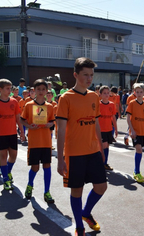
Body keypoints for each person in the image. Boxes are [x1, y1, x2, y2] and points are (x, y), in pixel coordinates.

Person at [56, 58, 107, 236]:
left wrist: (101, 148)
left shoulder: (94, 96)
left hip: (93, 150)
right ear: (76, 75)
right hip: (74, 153)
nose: (89, 78)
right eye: (85, 74)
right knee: (77, 190)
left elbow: (97, 125)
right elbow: (60, 130)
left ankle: (86, 213)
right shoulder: (65, 98)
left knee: (101, 187)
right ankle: (79, 226)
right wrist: (60, 159)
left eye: (91, 75)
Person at [20, 79, 55, 203]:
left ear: (46, 91)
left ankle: (47, 192)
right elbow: (22, 119)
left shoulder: (50, 106)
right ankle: (30, 185)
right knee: (35, 168)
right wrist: (28, 126)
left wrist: (49, 124)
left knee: (47, 166)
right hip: (34, 142)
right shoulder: (29, 105)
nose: (41, 91)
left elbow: (53, 122)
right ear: (33, 91)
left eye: (43, 89)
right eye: (38, 89)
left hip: (46, 142)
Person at [0, 79, 26, 190]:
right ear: (0, 89)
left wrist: (22, 131)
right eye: (7, 88)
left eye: (10, 88)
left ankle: (7, 171)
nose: (9, 90)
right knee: (3, 156)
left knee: (13, 156)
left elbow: (18, 118)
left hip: (12, 134)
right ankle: (6, 180)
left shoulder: (14, 102)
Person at [126, 83, 144, 183]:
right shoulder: (132, 103)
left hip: (141, 131)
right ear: (134, 92)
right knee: (139, 149)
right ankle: (137, 172)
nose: (139, 94)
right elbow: (128, 118)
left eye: (141, 92)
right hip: (135, 131)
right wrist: (131, 130)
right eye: (137, 92)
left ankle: (137, 171)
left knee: (140, 151)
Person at [99, 85, 117, 170]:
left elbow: (113, 117)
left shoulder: (112, 105)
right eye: (104, 93)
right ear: (101, 94)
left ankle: (105, 162)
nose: (106, 95)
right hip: (100, 130)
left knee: (107, 146)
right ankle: (103, 163)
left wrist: (116, 129)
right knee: (104, 145)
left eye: (107, 93)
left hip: (109, 129)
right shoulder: (98, 104)